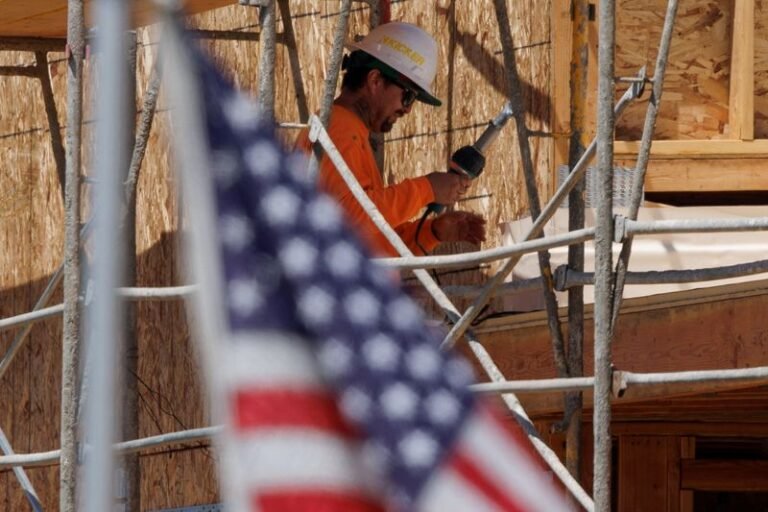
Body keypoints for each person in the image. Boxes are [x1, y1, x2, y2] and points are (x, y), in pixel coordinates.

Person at [295, 21, 486, 257]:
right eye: (408, 96)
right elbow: (349, 221)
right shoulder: (339, 128)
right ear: (375, 80)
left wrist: (432, 232)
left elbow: (371, 242)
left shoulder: (349, 130)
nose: (408, 109)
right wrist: (426, 188)